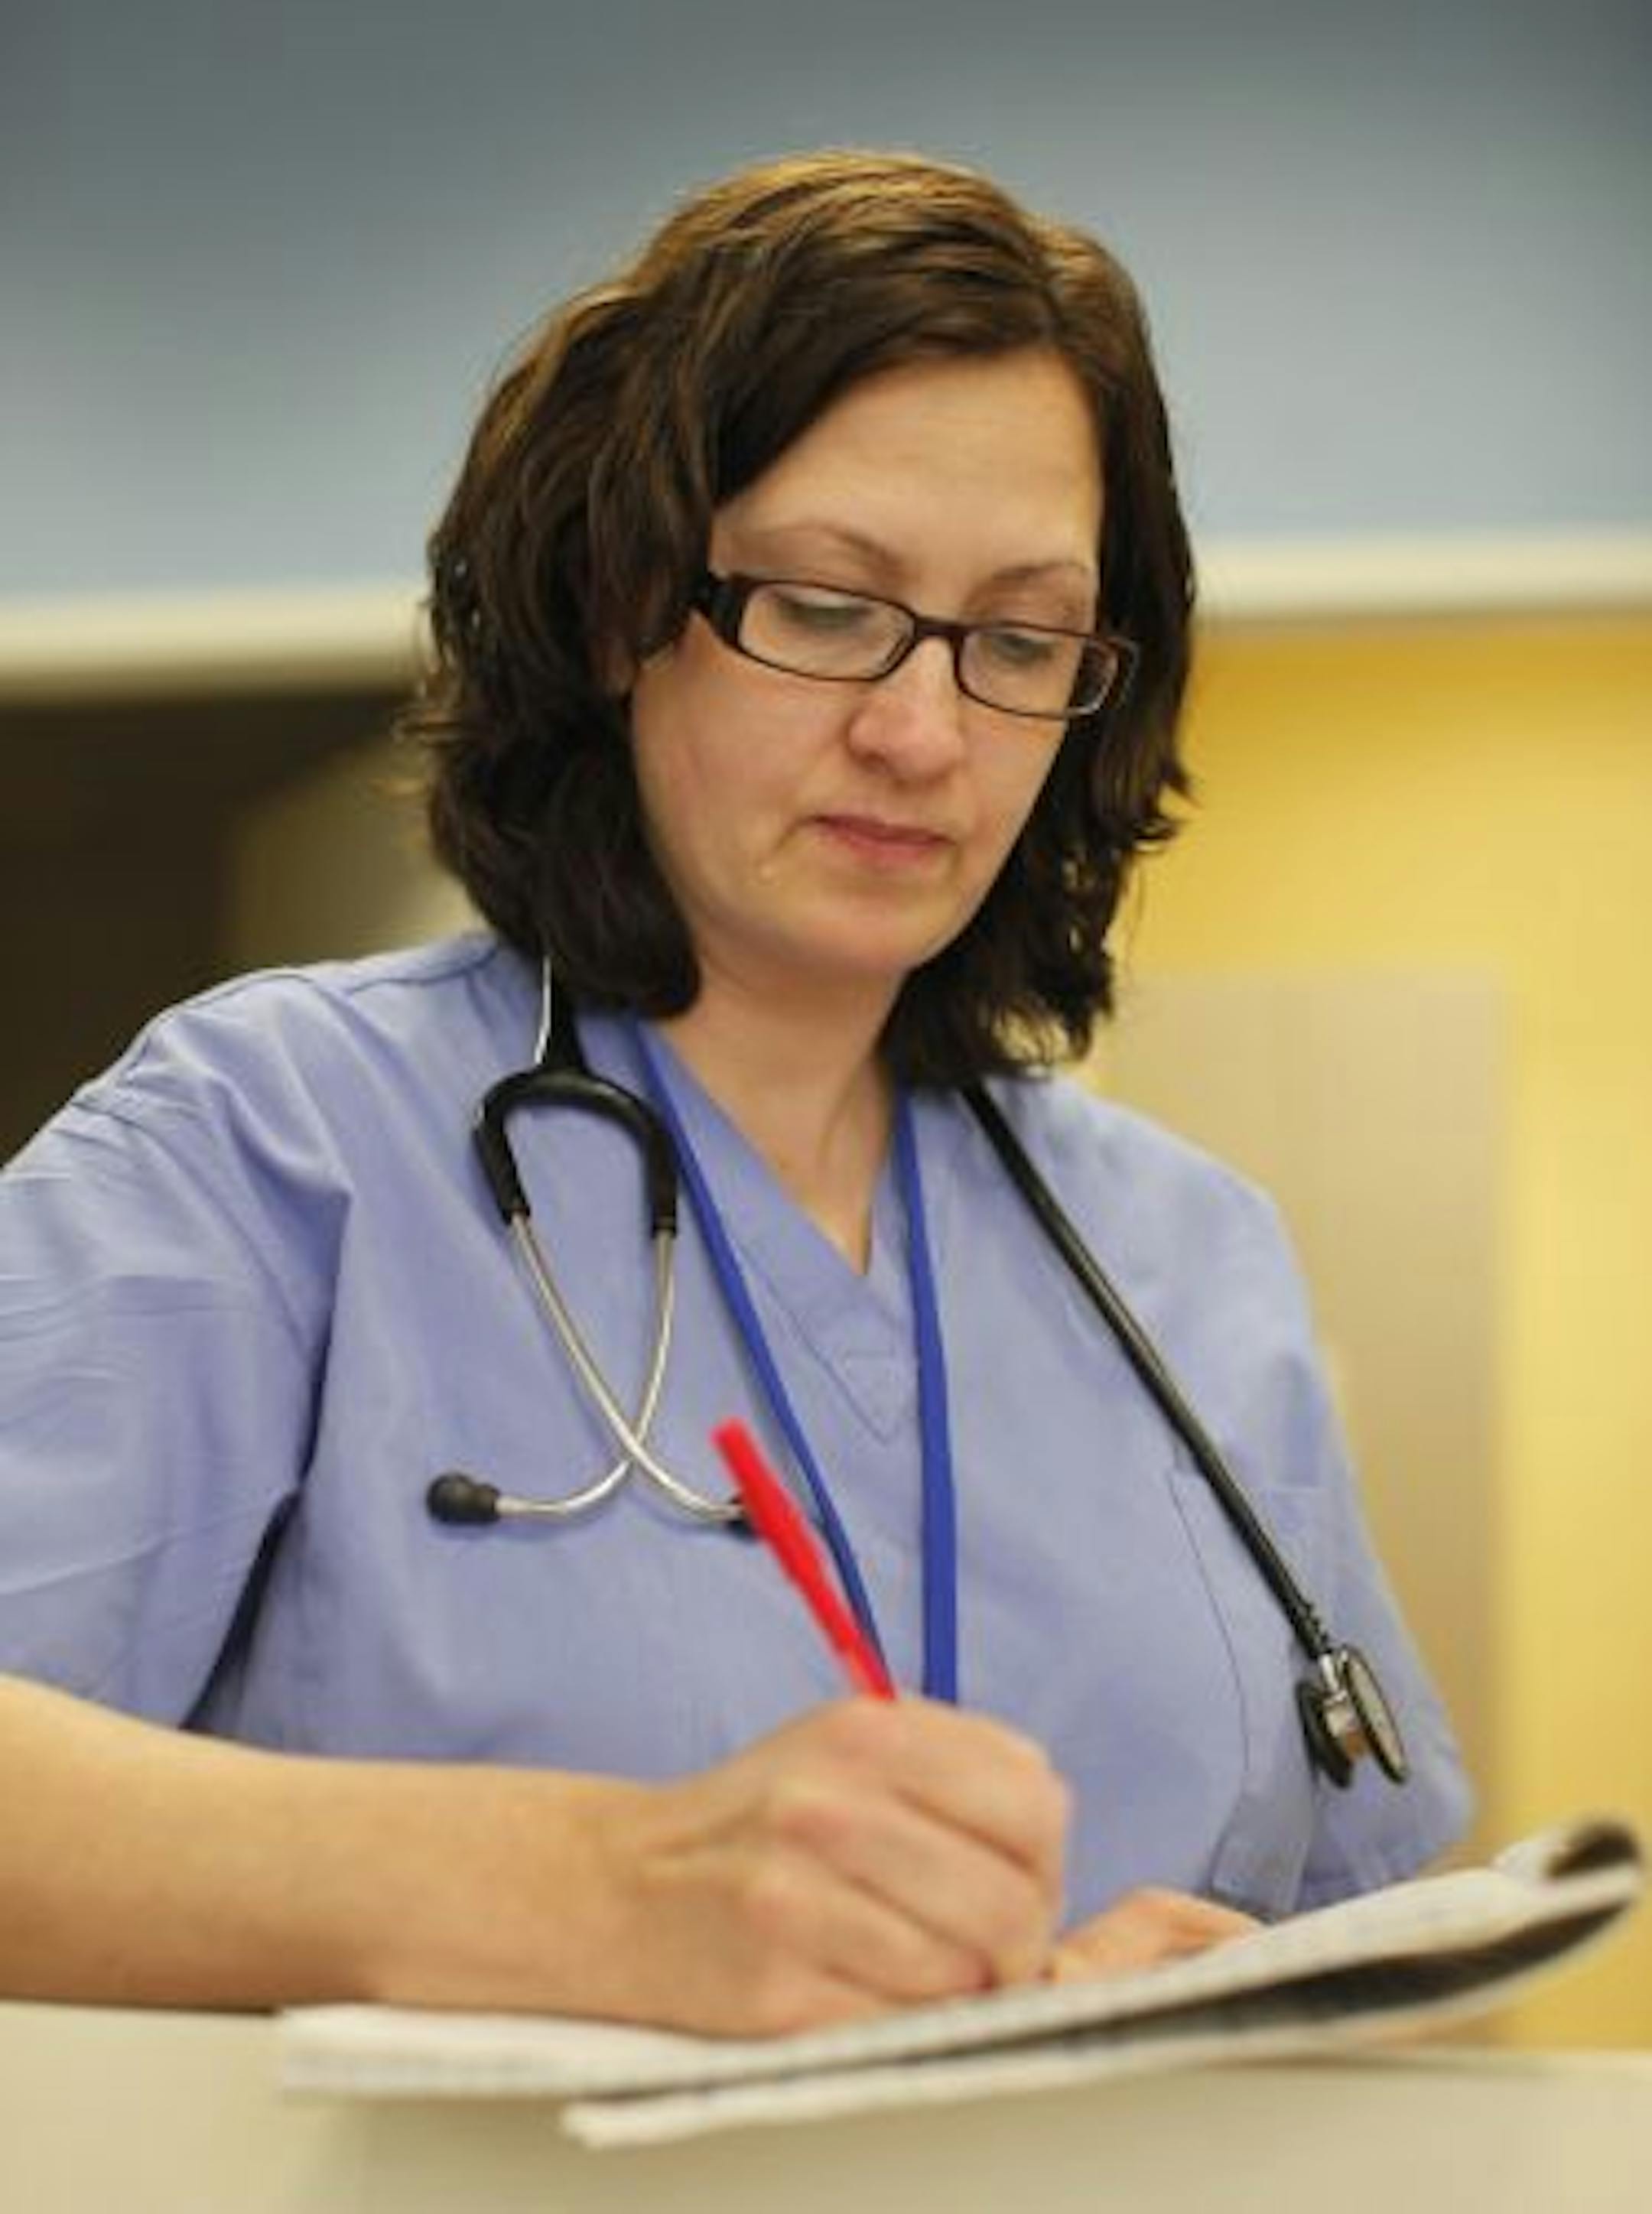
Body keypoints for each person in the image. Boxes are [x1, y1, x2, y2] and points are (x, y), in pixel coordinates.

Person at [0, 149, 1468, 2034]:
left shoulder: (1185, 1261)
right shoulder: (273, 1147)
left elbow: (1380, 1920)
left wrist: (1163, 2001)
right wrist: (585, 1893)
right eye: (825, 603)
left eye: (1019, 640)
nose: (922, 730)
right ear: (621, 608)